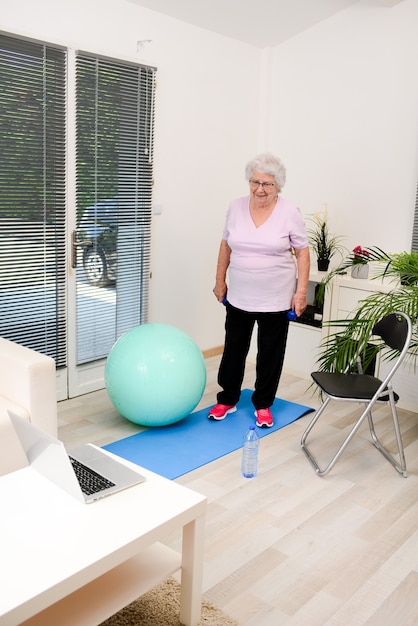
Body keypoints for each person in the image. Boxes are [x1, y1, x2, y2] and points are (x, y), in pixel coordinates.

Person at [209, 152, 310, 428]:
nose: (260, 189)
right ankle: (227, 399)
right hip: (239, 294)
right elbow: (225, 245)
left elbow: (302, 252)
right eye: (255, 182)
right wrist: (220, 281)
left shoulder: (289, 212)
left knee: (270, 353)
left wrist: (300, 293)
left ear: (278, 186)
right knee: (233, 350)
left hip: (276, 297)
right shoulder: (236, 206)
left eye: (267, 184)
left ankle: (263, 403)